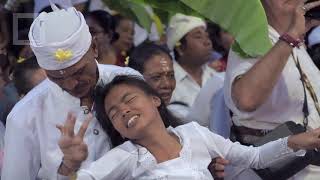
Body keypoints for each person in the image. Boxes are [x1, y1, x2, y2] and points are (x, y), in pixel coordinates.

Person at [56, 75, 320, 180]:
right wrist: (70, 166)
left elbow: (255, 157)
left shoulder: (194, 133)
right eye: (113, 113)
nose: (123, 110)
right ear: (118, 129)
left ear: (155, 100)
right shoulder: (125, 157)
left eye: (129, 100)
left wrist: (301, 141)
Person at [1, 4, 140, 180]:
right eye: (56, 78)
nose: (71, 84)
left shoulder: (130, 83)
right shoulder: (24, 116)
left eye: (79, 72)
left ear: (94, 47)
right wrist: (67, 168)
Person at [222, 0, 320, 179]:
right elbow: (246, 98)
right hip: (280, 171)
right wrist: (290, 36)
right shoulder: (254, 37)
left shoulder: (299, 44)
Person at [166, 13, 224, 119]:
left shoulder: (217, 77)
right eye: (198, 36)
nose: (207, 42)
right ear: (180, 48)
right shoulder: (167, 83)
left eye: (207, 36)